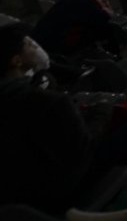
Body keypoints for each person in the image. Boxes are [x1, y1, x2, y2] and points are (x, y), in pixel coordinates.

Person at [0, 23, 93, 215]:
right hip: (62, 197)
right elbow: (83, 153)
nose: (35, 47)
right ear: (16, 61)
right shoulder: (48, 102)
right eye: (29, 45)